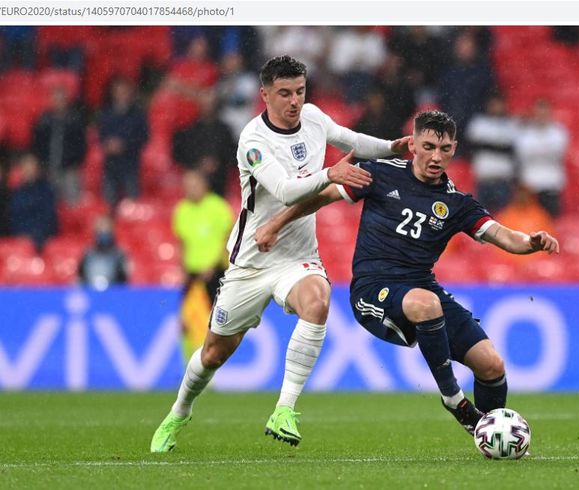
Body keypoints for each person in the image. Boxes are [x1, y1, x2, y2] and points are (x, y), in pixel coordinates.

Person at [150, 55, 410, 452]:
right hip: (252, 260)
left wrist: (392, 146)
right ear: (265, 95)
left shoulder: (313, 118)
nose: (294, 101)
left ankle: (285, 410)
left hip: (297, 256)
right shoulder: (252, 141)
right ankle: (179, 411)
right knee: (215, 352)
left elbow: (352, 141)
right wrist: (330, 174)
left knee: (318, 301)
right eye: (284, 93)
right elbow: (287, 189)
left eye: (300, 92)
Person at [255, 111, 559, 438]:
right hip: (373, 292)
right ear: (412, 144)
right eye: (428, 146)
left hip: (422, 290)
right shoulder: (379, 173)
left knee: (491, 365)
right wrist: (274, 224)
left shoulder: (456, 203)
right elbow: (320, 196)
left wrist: (531, 242)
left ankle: (491, 434)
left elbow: (502, 235)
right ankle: (453, 397)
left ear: (454, 149)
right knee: (426, 304)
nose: (436, 156)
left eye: (444, 149)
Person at [172, 169, 234, 362]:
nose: (190, 189)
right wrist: (182, 270)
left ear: (204, 185)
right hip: (192, 274)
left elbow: (229, 240)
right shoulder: (181, 210)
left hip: (215, 273)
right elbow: (182, 244)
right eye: (187, 186)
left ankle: (209, 367)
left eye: (194, 185)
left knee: (213, 324)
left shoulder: (218, 207)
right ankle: (188, 367)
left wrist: (215, 265)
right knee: (185, 323)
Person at [32, 85, 87, 206]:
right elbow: (37, 144)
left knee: (73, 205)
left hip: (69, 171)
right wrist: (41, 164)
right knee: (49, 205)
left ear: (66, 100)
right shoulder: (43, 120)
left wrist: (75, 164)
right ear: (51, 100)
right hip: (48, 170)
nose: (58, 102)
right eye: (56, 99)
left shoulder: (75, 120)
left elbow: (82, 145)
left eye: (61, 99)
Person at [98, 78, 149, 208]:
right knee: (108, 206)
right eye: (118, 91)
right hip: (110, 167)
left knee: (132, 206)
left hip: (130, 166)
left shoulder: (138, 114)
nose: (121, 94)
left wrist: (124, 145)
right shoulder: (106, 113)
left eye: (124, 91)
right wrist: (107, 144)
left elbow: (143, 137)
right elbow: (100, 135)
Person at [515, 98, 569, 217]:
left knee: (549, 222)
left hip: (551, 184)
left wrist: (537, 150)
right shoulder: (525, 132)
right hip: (530, 185)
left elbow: (557, 153)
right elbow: (523, 154)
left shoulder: (559, 131)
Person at [466, 92, 518, 212]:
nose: (495, 107)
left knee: (503, 219)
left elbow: (511, 150)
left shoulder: (510, 124)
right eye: (493, 104)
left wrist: (486, 145)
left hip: (503, 180)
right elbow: (472, 147)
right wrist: (499, 146)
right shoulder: (479, 122)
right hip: (484, 178)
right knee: (482, 219)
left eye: (498, 104)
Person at [9, 153, 58, 252]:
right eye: (25, 165)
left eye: (31, 165)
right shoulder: (16, 192)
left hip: (40, 240)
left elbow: (48, 218)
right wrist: (21, 235)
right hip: (19, 239)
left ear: (37, 168)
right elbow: (14, 218)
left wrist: (34, 236)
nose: (28, 169)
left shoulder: (46, 191)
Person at [78, 215, 129, 289]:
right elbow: (80, 278)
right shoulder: (87, 255)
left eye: (106, 230)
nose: (103, 233)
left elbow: (125, 281)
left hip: (113, 295)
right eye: (100, 230)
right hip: (92, 294)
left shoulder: (119, 255)